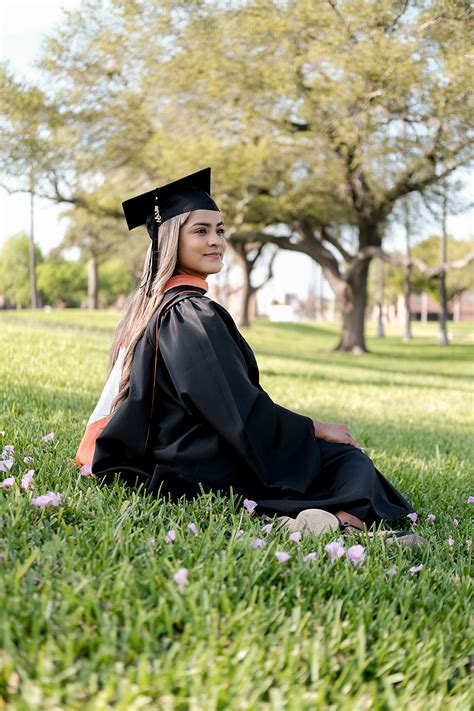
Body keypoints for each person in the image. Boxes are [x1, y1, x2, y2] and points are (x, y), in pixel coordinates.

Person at [76, 167, 424, 544]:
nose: (217, 242)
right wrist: (315, 429)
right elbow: (239, 413)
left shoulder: (157, 306)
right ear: (171, 240)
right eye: (201, 231)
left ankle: (331, 520)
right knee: (345, 459)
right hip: (192, 465)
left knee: (329, 459)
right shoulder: (189, 314)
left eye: (220, 230)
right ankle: (342, 525)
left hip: (173, 453)